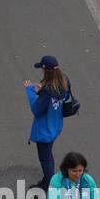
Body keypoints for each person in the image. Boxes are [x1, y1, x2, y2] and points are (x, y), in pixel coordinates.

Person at [23, 55, 71, 187]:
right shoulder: (64, 82)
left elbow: (37, 110)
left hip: (45, 131)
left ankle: (49, 184)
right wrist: (42, 90)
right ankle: (47, 180)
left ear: (45, 70)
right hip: (56, 127)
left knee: (45, 159)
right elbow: (61, 97)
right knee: (48, 154)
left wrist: (30, 91)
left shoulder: (47, 92)